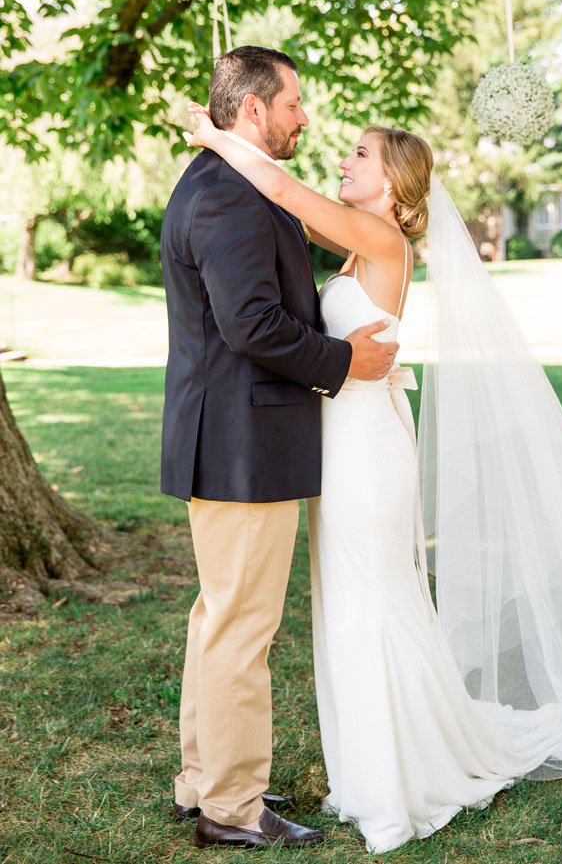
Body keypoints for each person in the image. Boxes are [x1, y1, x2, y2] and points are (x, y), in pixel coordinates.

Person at [184, 102, 562, 854]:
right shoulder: (353, 246)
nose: (342, 161)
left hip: (367, 449)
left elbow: (280, 192)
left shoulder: (377, 239)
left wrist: (216, 137)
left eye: (359, 155)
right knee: (349, 600)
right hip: (341, 443)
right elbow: (279, 209)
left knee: (372, 599)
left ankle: (395, 775)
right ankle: (372, 760)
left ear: (392, 185)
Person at [160, 45, 399, 851]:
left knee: (218, 618)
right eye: (293, 101)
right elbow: (252, 325)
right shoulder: (228, 193)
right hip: (242, 444)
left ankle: (204, 778)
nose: (304, 115)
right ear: (254, 109)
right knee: (241, 628)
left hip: (228, 438)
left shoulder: (222, 177)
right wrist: (346, 362)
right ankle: (231, 804)